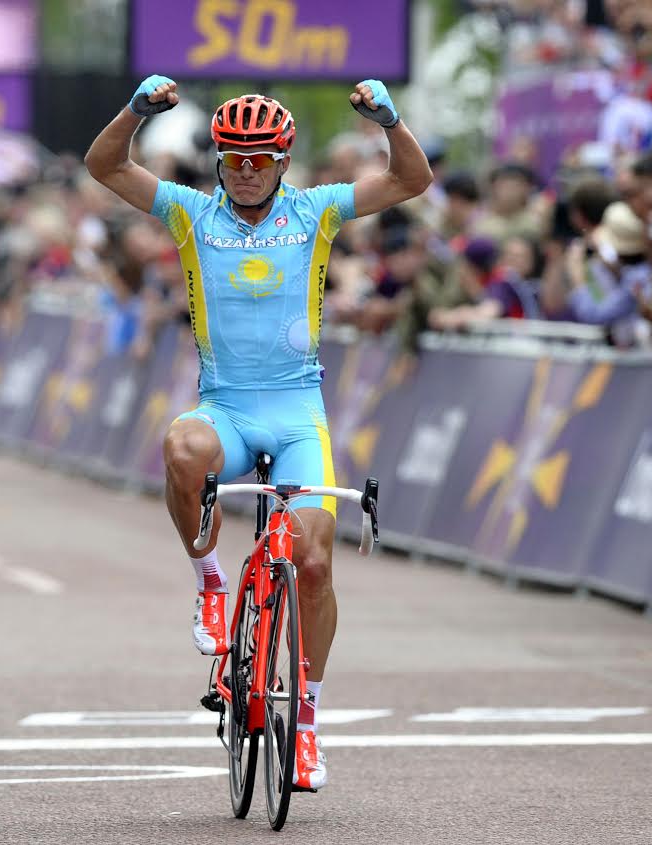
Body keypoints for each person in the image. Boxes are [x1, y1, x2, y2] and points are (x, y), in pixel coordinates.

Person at [84, 74, 431, 790]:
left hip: (298, 412)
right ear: (219, 161)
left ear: (282, 162)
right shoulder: (189, 212)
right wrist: (134, 112)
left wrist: (390, 122)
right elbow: (105, 166)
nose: (246, 171)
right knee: (182, 446)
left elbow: (410, 181)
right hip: (228, 409)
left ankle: (305, 725)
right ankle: (211, 583)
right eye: (234, 159)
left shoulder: (317, 210)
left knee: (314, 562)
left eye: (260, 160)